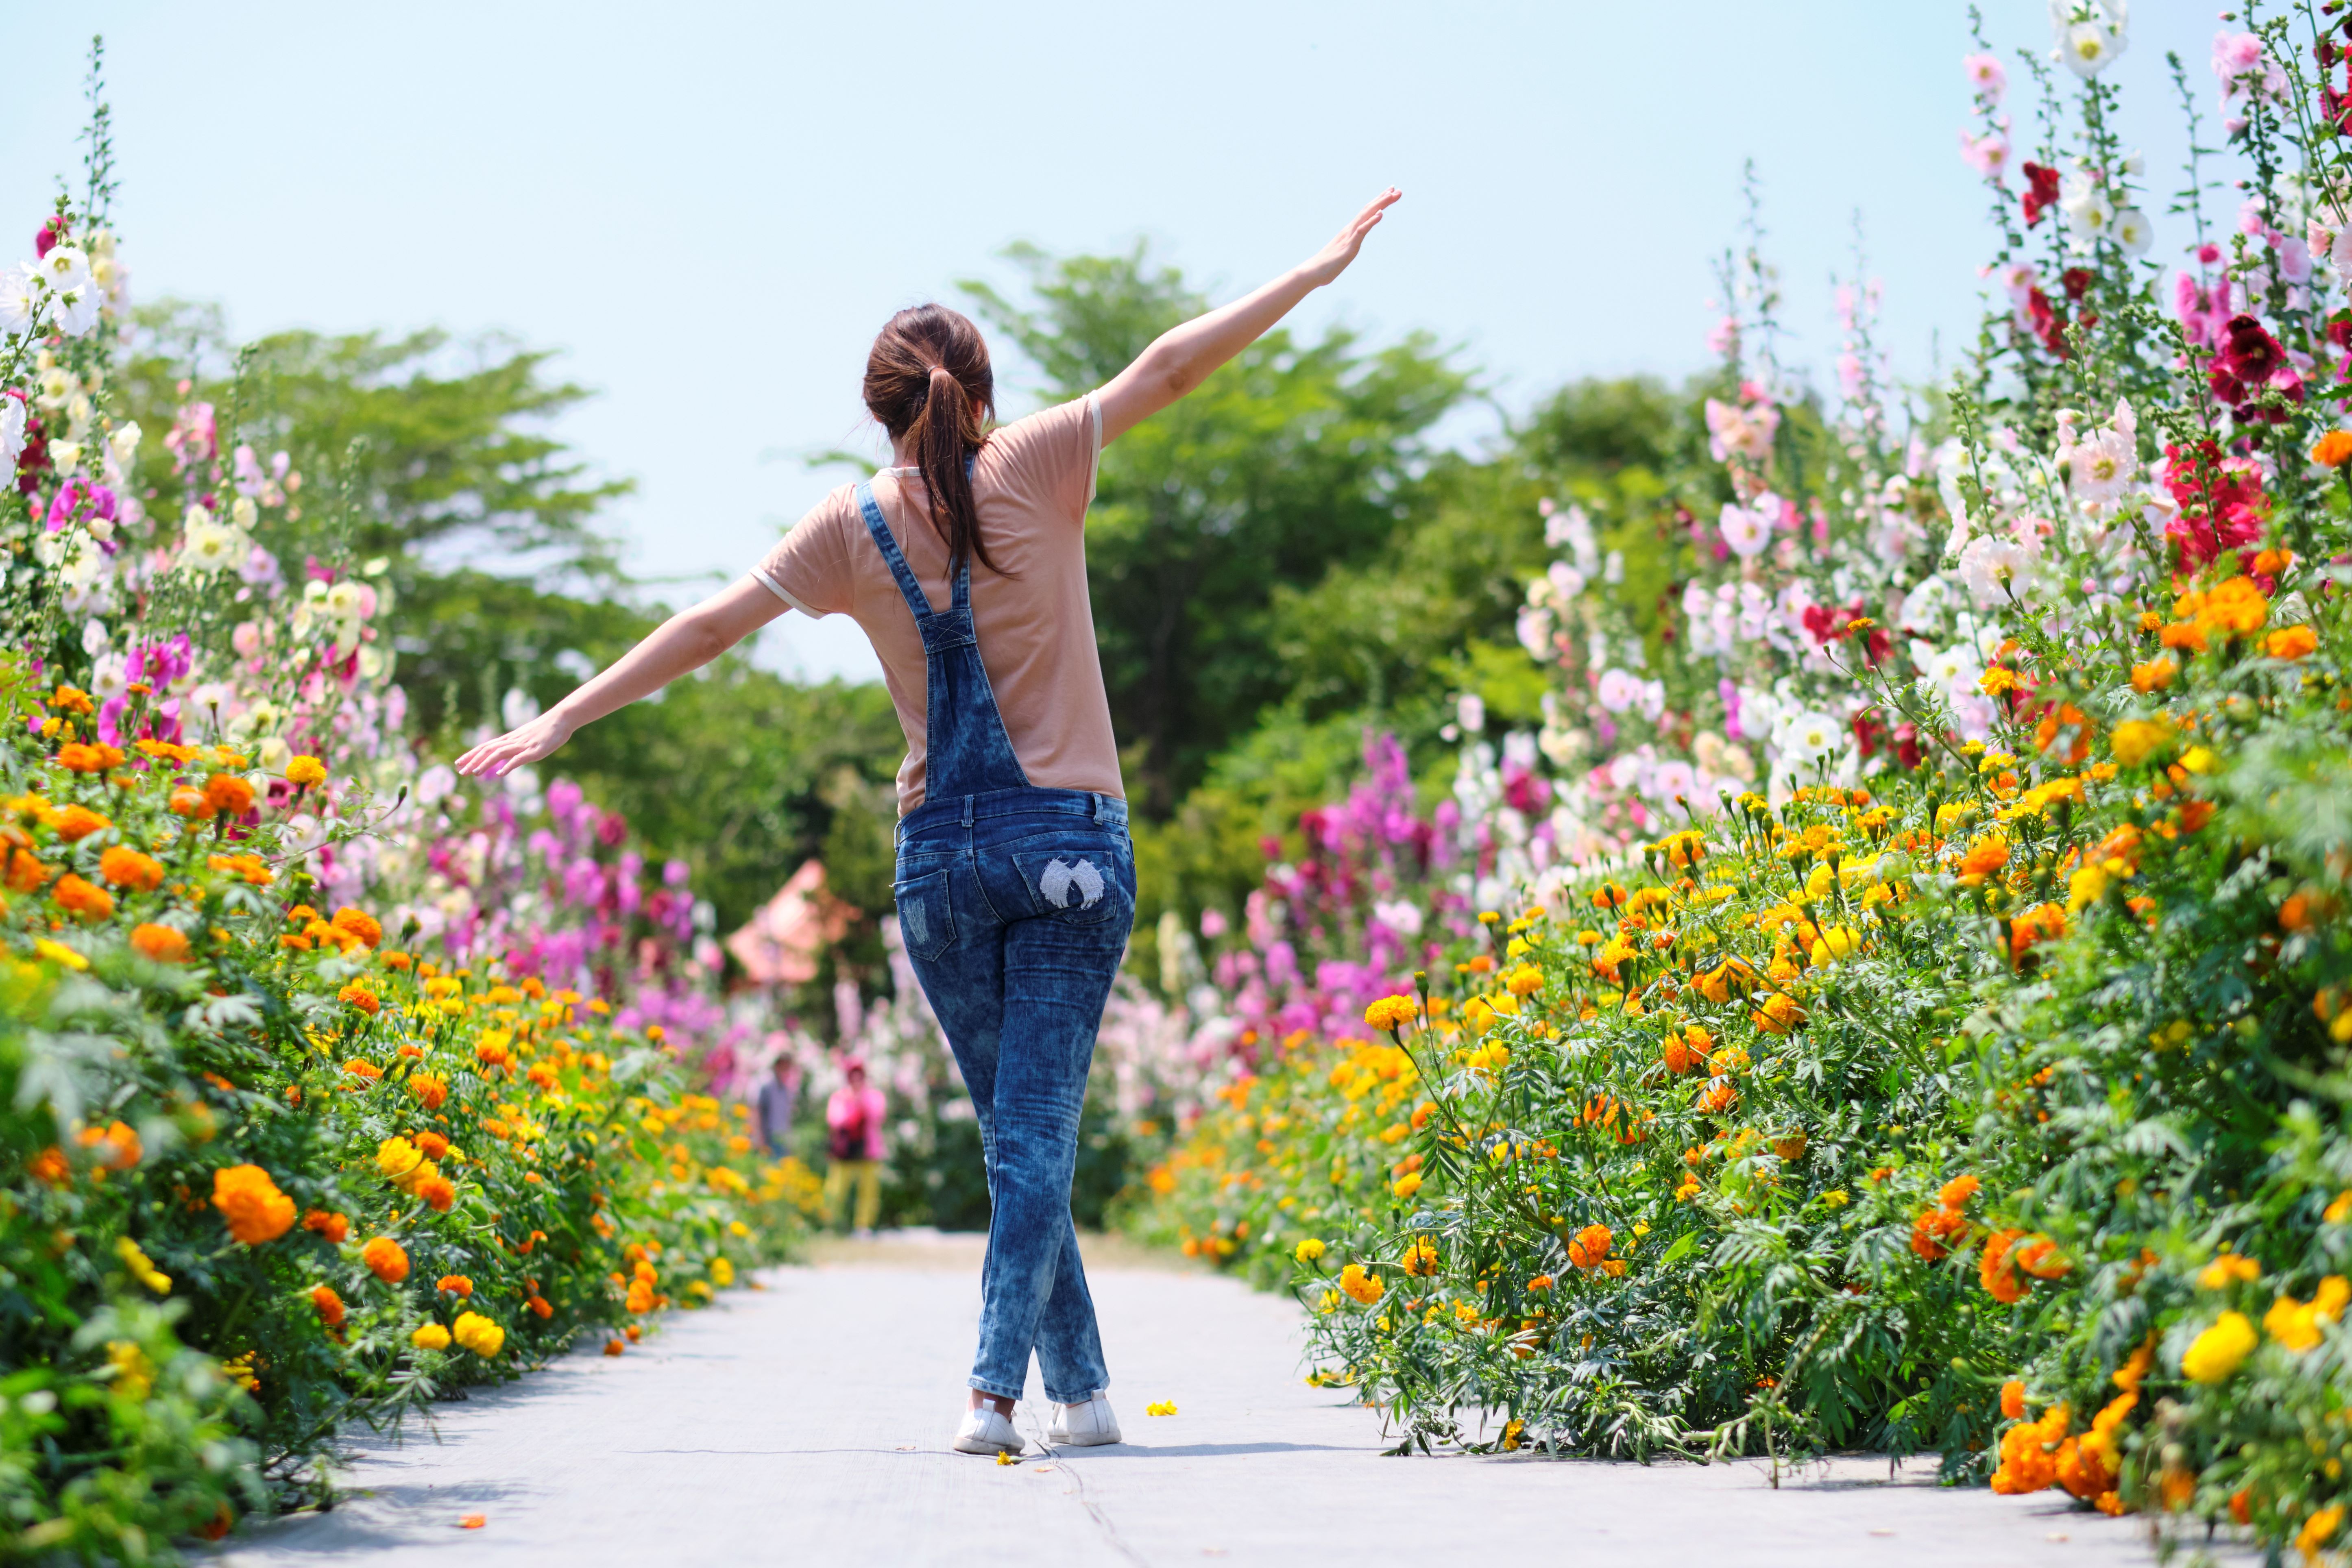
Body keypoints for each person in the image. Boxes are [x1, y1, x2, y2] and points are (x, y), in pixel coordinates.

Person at [452, 187, 1400, 1458]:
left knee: (1019, 1132)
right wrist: (1313, 272)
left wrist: (565, 715)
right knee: (1033, 1132)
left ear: (878, 404)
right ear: (983, 391)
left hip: (939, 864)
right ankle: (993, 1394)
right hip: (1067, 847)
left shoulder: (845, 524)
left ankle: (1086, 1391)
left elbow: (709, 627)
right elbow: (1170, 364)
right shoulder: (1045, 456)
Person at [822, 1057, 885, 1235]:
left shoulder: (874, 1096)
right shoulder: (839, 1098)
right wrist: (851, 1103)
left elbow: (878, 1116)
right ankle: (831, 1224)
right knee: (836, 1189)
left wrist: (861, 1101)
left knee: (868, 1192)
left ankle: (863, 1226)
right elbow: (835, 1120)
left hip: (868, 1151)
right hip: (845, 1151)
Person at [754, 1053, 798, 1157]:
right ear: (776, 1067)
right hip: (770, 1135)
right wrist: (761, 1137)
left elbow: (787, 1116)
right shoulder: (767, 1088)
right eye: (783, 1067)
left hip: (783, 1135)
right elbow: (761, 1113)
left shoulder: (785, 1091)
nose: (785, 1071)